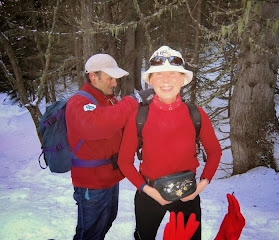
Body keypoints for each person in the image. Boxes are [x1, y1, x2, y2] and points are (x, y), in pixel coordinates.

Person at [118, 46, 222, 240]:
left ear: (182, 79)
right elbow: (124, 161)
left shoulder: (196, 114)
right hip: (149, 196)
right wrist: (146, 190)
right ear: (150, 81)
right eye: (158, 74)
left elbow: (215, 152)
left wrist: (201, 185)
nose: (165, 80)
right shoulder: (138, 117)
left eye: (173, 74)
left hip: (187, 196)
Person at [66, 53, 154, 240]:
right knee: (90, 232)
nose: (114, 83)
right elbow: (100, 125)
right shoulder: (78, 103)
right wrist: (134, 100)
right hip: (92, 183)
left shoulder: (110, 100)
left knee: (106, 221)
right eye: (110, 78)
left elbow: (122, 124)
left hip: (110, 179)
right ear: (93, 77)